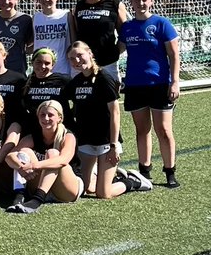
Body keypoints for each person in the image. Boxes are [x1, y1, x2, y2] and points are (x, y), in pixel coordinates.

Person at [62, 41, 150, 198]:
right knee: (87, 189)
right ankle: (110, 176)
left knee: (104, 194)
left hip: (106, 141)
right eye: (72, 58)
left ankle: (132, 181)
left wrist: (113, 145)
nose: (76, 61)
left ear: (90, 54)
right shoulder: (75, 83)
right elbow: (63, 103)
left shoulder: (104, 78)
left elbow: (115, 113)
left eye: (80, 55)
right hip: (86, 140)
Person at [120, 0, 182, 188]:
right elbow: (116, 51)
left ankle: (170, 171)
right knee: (142, 130)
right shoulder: (127, 28)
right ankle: (144, 171)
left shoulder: (162, 24)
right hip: (135, 85)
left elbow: (174, 55)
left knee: (163, 130)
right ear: (131, 2)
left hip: (159, 84)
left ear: (151, 1)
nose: (141, 3)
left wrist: (174, 83)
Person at [4, 99, 82, 214]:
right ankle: (19, 196)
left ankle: (37, 200)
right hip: (41, 185)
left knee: (53, 154)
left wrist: (34, 166)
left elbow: (63, 160)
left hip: (67, 189)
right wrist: (21, 167)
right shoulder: (33, 137)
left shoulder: (68, 136)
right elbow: (9, 157)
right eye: (42, 115)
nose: (46, 118)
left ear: (60, 118)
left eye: (50, 115)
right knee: (24, 151)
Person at [71, 0, 128, 80]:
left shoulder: (115, 5)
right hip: (84, 63)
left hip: (108, 62)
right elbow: (76, 33)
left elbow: (123, 34)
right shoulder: (79, 7)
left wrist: (116, 52)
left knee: (110, 95)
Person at [19, 48, 71, 136]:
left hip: (59, 131)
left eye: (47, 63)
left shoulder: (63, 80)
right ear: (32, 62)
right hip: (34, 131)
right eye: (39, 62)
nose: (42, 66)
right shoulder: (26, 82)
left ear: (53, 65)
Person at [31, 0, 72, 75]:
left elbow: (73, 41)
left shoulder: (66, 15)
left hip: (62, 67)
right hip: (41, 68)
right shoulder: (36, 18)